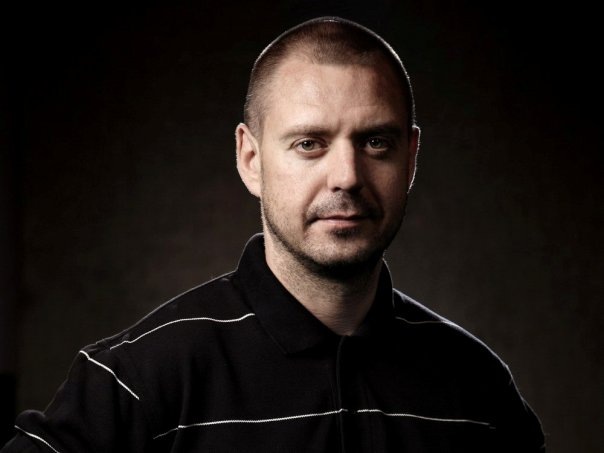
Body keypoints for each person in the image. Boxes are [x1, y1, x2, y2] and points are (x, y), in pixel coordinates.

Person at [2, 17, 545, 452]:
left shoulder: (480, 388)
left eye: (376, 142)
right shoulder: (137, 379)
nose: (347, 176)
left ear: (412, 158)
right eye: (309, 144)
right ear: (251, 159)